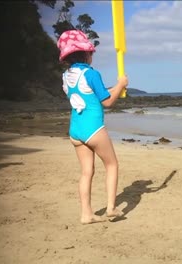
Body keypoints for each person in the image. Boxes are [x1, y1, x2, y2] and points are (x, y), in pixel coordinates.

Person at [57, 30, 128, 224]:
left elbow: (97, 94)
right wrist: (121, 84)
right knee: (112, 164)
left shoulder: (66, 76)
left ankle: (86, 214)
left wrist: (117, 86)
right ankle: (111, 208)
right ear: (86, 53)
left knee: (86, 172)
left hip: (75, 130)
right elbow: (107, 102)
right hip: (93, 129)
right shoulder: (91, 73)